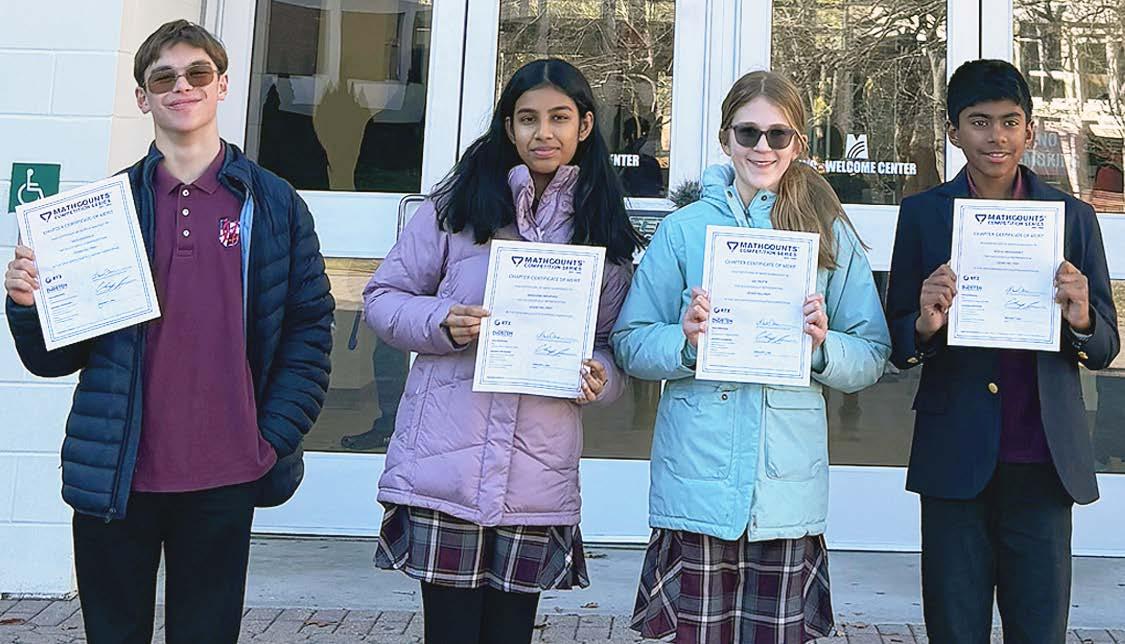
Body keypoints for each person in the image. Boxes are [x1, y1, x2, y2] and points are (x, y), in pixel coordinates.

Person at [3, 20, 334, 644]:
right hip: (117, 472)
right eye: (164, 78)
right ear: (142, 97)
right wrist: (27, 305)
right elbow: (52, 359)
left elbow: (309, 329)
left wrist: (270, 436)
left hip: (226, 473)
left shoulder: (274, 204)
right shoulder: (100, 211)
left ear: (222, 85)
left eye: (197, 73)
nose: (182, 87)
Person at [362, 58, 643, 644]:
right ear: (508, 127)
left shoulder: (600, 229)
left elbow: (610, 346)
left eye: (559, 118)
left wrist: (600, 376)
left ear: (585, 125)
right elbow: (383, 299)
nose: (544, 133)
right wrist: (442, 321)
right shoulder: (456, 209)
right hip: (446, 466)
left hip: (536, 476)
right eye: (528, 118)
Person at [612, 70, 891, 643]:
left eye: (778, 134)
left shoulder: (827, 231)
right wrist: (684, 342)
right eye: (748, 133)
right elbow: (630, 341)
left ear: (798, 143)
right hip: (697, 480)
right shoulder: (684, 231)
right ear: (725, 139)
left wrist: (822, 349)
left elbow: (872, 353)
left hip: (784, 490)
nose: (762, 147)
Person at [886, 59, 1119, 643]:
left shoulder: (1072, 217)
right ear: (953, 130)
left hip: (1043, 458)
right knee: (954, 627)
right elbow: (897, 341)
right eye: (980, 122)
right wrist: (925, 323)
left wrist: (1082, 316)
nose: (997, 137)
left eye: (1011, 122)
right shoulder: (922, 215)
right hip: (954, 455)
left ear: (1030, 130)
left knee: (1039, 630)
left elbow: (1104, 346)